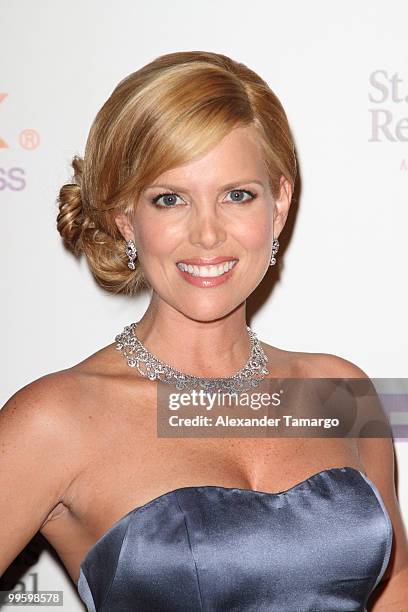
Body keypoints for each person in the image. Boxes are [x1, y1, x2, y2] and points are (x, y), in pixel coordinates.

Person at [1, 50, 407, 611]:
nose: (208, 234)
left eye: (238, 195)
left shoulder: (342, 391)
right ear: (126, 218)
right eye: (170, 199)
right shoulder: (55, 418)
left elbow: (396, 593)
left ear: (279, 204)